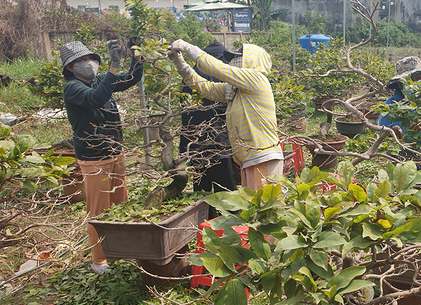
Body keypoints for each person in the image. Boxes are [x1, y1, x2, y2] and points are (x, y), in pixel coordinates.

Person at [61, 40, 143, 274]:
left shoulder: (97, 80)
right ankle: (99, 260)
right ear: (70, 68)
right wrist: (113, 66)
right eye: (81, 61)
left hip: (115, 151)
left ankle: (121, 250)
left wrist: (137, 56)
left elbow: (128, 80)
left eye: (89, 58)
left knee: (120, 203)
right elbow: (95, 98)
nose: (88, 63)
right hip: (95, 157)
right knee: (99, 210)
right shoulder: (73, 88)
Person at [167, 40, 283, 190]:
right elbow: (206, 88)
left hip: (263, 158)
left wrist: (189, 49)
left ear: (252, 60)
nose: (233, 61)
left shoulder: (256, 79)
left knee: (265, 209)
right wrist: (182, 66)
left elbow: (218, 69)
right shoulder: (235, 91)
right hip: (250, 159)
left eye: (237, 57)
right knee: (254, 208)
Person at [179, 41, 238, 199]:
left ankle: (205, 219)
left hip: (196, 142)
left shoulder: (190, 76)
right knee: (226, 190)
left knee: (201, 187)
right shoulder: (224, 75)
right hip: (219, 141)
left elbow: (184, 112)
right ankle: (229, 221)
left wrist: (184, 147)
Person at [377, 56, 421, 176]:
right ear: (400, 84)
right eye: (409, 80)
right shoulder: (391, 105)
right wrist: (394, 133)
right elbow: (382, 138)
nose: (414, 83)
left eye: (418, 78)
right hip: (400, 168)